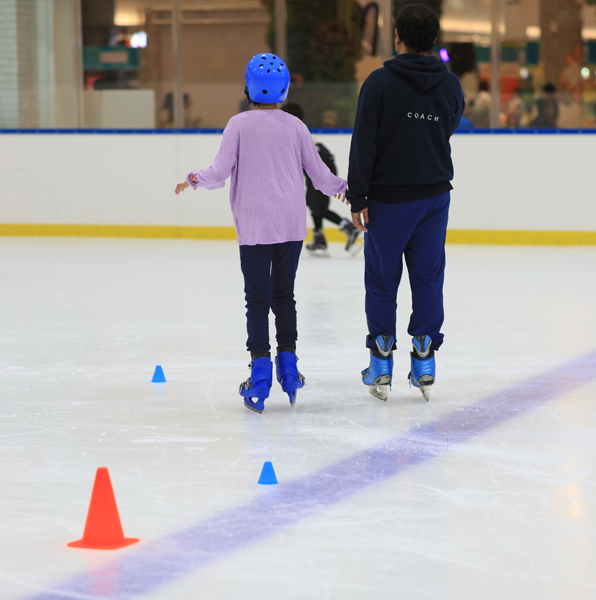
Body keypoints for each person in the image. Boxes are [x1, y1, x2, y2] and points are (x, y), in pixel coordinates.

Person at [175, 53, 347, 414]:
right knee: (284, 295)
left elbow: (219, 174)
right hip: (290, 224)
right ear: (284, 88)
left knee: (257, 298)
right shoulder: (297, 126)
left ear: (247, 87)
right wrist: (348, 188)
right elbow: (321, 178)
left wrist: (193, 179)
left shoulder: (237, 124)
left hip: (254, 225)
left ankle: (260, 371)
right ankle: (288, 365)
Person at [346, 3, 463, 402]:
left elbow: (363, 141)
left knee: (382, 278)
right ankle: (425, 356)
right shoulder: (450, 86)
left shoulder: (379, 83)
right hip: (433, 197)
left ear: (397, 37)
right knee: (428, 276)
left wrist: (358, 195)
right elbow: (448, 127)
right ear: (434, 40)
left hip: (388, 200)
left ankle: (381, 361)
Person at [281, 103, 360, 256]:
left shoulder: (293, 130)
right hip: (321, 163)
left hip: (320, 165)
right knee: (311, 202)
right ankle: (319, 237)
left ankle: (348, 227)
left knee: (318, 206)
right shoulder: (297, 128)